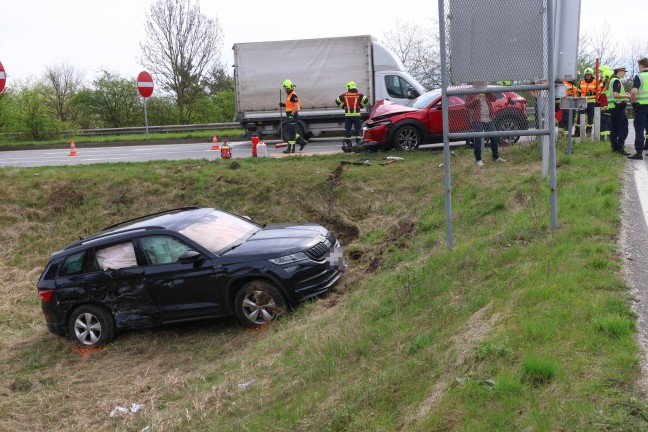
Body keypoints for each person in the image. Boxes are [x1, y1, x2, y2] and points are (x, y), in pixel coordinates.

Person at [465, 81, 505, 166]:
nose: (480, 85)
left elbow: (494, 99)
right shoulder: (471, 92)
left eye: (482, 84)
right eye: (478, 83)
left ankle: (495, 157)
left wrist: (488, 91)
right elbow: (467, 105)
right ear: (475, 84)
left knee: (494, 136)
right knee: (478, 139)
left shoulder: (486, 91)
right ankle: (478, 159)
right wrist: (476, 98)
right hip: (477, 119)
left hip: (488, 118)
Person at [606, 67, 632, 156]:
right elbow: (616, 95)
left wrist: (625, 95)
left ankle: (614, 148)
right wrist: (627, 96)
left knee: (614, 129)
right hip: (618, 107)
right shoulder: (617, 81)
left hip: (613, 107)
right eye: (623, 72)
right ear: (619, 72)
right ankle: (620, 148)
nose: (624, 74)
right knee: (624, 128)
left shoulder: (612, 80)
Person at [336, 81, 369, 148]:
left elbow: (337, 100)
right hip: (356, 115)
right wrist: (361, 105)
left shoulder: (344, 95)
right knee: (357, 129)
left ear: (349, 87)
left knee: (348, 129)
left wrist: (343, 106)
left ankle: (348, 144)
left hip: (348, 116)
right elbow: (366, 99)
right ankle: (358, 143)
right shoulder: (358, 95)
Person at [279, 79, 308, 154]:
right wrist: (283, 105)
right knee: (292, 131)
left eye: (286, 88)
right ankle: (301, 143)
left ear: (289, 88)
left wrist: (291, 115)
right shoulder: (289, 95)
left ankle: (290, 148)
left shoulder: (293, 95)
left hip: (293, 115)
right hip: (290, 115)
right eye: (285, 88)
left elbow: (295, 107)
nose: (285, 90)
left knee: (291, 132)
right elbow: (290, 105)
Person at [629, 58, 648, 160]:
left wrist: (633, 103)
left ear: (641, 66)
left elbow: (633, 92)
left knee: (639, 129)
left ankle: (639, 152)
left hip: (642, 108)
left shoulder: (639, 76)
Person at [577, 67, 597, 136]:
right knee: (579, 116)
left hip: (591, 102)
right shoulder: (582, 82)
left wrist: (592, 93)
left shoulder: (595, 82)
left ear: (592, 75)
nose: (588, 76)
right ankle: (577, 131)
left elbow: (598, 92)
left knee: (590, 117)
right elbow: (579, 92)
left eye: (589, 74)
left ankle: (589, 130)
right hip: (582, 101)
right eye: (586, 74)